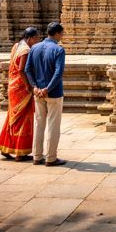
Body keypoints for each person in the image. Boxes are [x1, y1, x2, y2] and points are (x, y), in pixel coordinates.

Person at [25, 22, 67, 167]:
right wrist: (48, 89)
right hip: (53, 92)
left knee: (39, 124)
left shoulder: (34, 48)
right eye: (61, 34)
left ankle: (37, 156)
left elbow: (27, 69)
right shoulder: (58, 50)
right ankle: (51, 158)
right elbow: (58, 72)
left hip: (38, 93)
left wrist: (35, 87)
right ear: (56, 34)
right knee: (53, 125)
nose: (62, 36)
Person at [0, 27, 42, 162]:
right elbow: (22, 69)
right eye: (36, 39)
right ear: (30, 38)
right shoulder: (25, 50)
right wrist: (29, 85)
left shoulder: (16, 46)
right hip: (22, 88)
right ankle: (19, 152)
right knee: (23, 119)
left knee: (13, 116)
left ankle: (6, 147)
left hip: (12, 86)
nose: (37, 41)